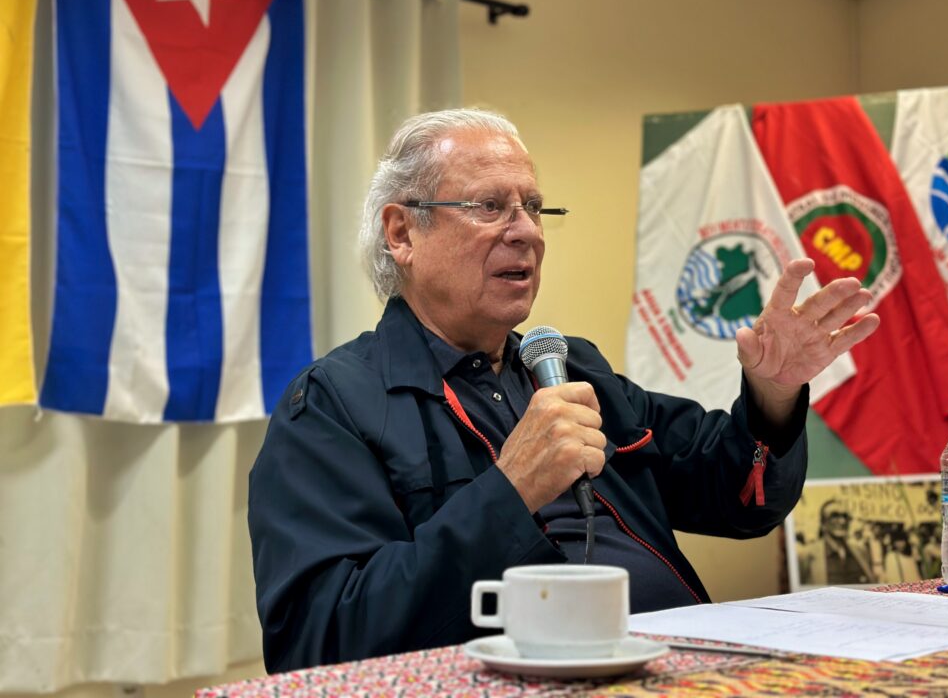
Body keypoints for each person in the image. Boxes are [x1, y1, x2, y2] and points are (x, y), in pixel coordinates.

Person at [248, 109, 880, 672]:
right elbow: (319, 641)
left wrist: (772, 392)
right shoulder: (334, 403)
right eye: (489, 207)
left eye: (532, 207)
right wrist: (511, 491)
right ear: (402, 234)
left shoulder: (571, 366)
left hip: (672, 665)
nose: (526, 231)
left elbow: (737, 500)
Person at [800, 499, 875, 585]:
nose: (842, 521)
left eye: (845, 516)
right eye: (834, 516)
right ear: (823, 523)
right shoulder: (806, 555)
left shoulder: (861, 551)